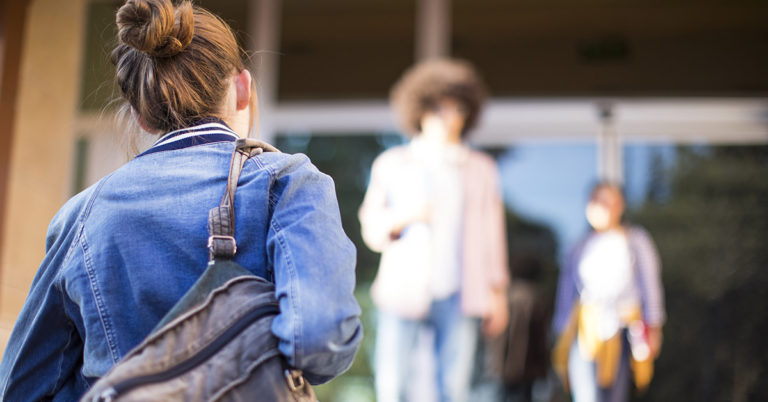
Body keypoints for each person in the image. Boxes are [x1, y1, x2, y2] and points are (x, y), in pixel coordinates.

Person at [0, 0, 362, 399]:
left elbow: (23, 386)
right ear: (243, 88)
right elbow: (320, 342)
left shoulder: (80, 214)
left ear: (141, 115)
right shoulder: (288, 182)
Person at [358, 59, 509, 402]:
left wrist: (497, 293)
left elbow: (492, 235)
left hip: (460, 291)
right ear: (420, 110)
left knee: (453, 390)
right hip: (402, 290)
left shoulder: (481, 169)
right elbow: (371, 227)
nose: (448, 117)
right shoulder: (393, 163)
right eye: (439, 108)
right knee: (392, 387)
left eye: (457, 109)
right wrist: (403, 217)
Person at [552, 182, 665, 402]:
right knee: (585, 394)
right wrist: (560, 330)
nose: (602, 207)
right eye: (597, 201)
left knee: (616, 396)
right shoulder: (579, 246)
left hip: (622, 330)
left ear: (619, 205)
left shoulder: (635, 240)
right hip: (586, 331)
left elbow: (650, 286)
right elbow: (567, 294)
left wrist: (653, 325)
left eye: (608, 201)